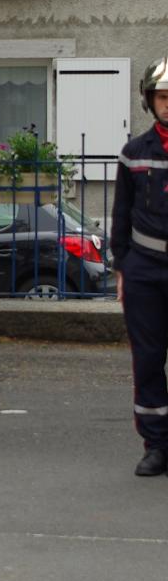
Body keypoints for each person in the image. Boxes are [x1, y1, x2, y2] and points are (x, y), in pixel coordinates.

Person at [111, 55, 168, 477]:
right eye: (162, 97)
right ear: (150, 101)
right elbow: (121, 215)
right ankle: (156, 444)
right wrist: (122, 267)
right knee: (148, 359)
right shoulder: (134, 154)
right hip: (145, 268)